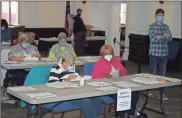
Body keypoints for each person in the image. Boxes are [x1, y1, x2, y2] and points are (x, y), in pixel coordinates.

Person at [49, 52, 102, 118]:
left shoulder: (71, 67)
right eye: (70, 64)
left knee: (95, 98)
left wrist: (80, 78)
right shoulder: (55, 68)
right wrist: (66, 80)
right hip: (64, 94)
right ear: (64, 62)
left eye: (73, 64)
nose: (72, 66)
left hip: (76, 90)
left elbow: (76, 78)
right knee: (85, 101)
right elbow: (51, 83)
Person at [92, 45, 139, 118]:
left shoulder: (115, 60)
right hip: (106, 87)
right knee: (121, 95)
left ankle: (128, 113)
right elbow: (95, 79)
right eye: (106, 54)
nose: (109, 55)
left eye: (110, 53)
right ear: (102, 54)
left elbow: (124, 72)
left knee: (134, 92)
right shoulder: (99, 63)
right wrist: (104, 77)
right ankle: (120, 115)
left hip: (118, 84)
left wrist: (119, 73)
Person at [149, 8, 172, 100]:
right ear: (155, 16)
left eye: (162, 15)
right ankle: (149, 91)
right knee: (153, 74)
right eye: (159, 15)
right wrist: (164, 36)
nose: (160, 17)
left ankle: (161, 93)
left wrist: (160, 37)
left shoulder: (166, 26)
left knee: (162, 75)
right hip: (154, 53)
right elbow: (153, 39)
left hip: (164, 53)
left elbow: (170, 39)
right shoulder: (151, 26)